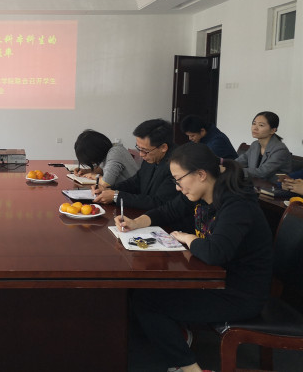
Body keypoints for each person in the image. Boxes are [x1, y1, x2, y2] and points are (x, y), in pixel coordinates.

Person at [116, 143, 272, 372]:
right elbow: (168, 210)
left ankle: (190, 368)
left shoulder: (237, 205)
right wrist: (136, 222)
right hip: (216, 280)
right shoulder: (203, 193)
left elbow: (214, 252)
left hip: (239, 293)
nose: (177, 187)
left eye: (179, 180)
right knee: (143, 291)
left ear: (200, 174)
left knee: (147, 302)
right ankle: (176, 336)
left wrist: (188, 238)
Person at [92, 119, 179, 209]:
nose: (141, 154)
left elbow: (159, 202)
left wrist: (116, 196)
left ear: (163, 147)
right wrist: (109, 189)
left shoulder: (177, 166)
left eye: (144, 150)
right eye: (139, 148)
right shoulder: (152, 156)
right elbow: (136, 181)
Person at [235, 111, 292, 179]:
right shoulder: (255, 145)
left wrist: (234, 171)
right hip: (255, 182)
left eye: (261, 125)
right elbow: (241, 161)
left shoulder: (280, 149)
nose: (255, 128)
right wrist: (227, 165)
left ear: (273, 130)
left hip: (273, 185)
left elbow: (263, 172)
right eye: (254, 123)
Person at [72, 129, 138, 187]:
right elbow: (101, 169)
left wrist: (94, 176)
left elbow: (106, 182)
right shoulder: (107, 150)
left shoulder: (115, 152)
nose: (92, 162)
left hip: (133, 193)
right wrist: (85, 171)